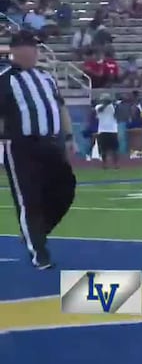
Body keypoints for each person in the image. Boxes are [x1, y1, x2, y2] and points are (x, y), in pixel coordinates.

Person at [0, 30, 77, 269]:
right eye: (32, 47)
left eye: (36, 47)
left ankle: (35, 233)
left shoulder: (46, 77)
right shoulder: (5, 78)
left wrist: (69, 137)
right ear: (17, 49)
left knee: (65, 189)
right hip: (21, 145)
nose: (36, 52)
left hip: (51, 143)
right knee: (28, 199)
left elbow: (60, 107)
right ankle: (40, 254)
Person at [94, 93, 120, 169]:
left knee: (114, 149)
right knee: (103, 149)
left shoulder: (113, 107)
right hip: (103, 130)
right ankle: (104, 164)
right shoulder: (98, 106)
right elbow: (100, 110)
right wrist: (107, 104)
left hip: (113, 130)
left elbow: (117, 115)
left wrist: (114, 105)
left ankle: (116, 164)